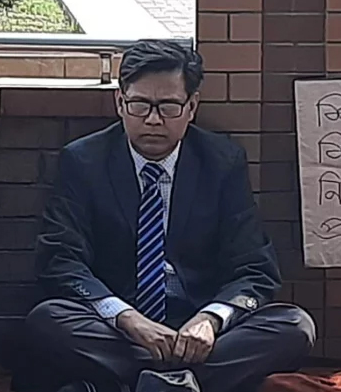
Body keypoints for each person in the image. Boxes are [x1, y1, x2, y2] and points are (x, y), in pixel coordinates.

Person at [25, 39, 316, 392]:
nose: (153, 119)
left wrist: (210, 319)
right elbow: (60, 261)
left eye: (168, 107)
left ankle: (146, 383)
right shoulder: (83, 161)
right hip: (120, 329)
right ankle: (177, 384)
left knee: (295, 326)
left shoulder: (221, 162)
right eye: (139, 105)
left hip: (199, 331)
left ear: (192, 106)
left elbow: (255, 267)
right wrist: (128, 318)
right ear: (120, 102)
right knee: (47, 320)